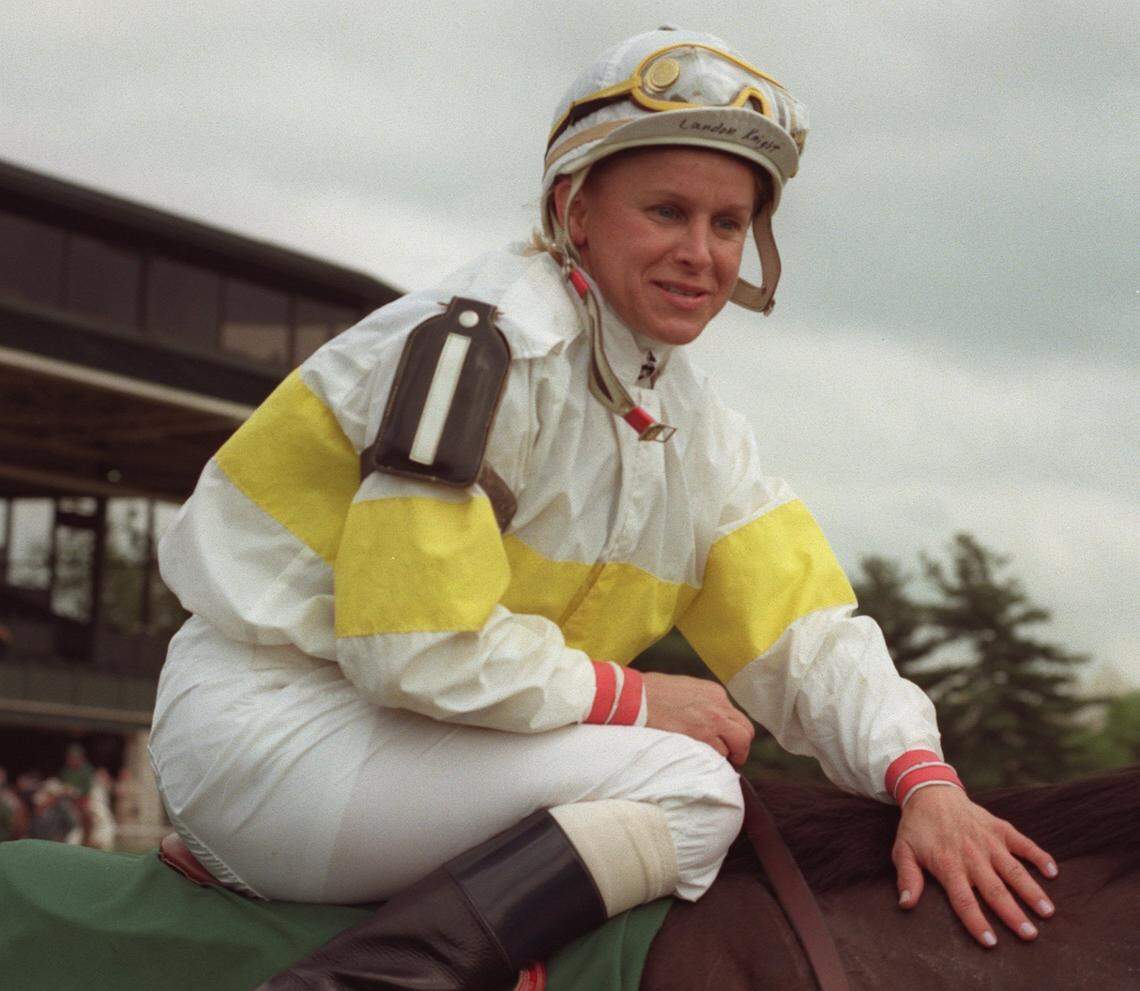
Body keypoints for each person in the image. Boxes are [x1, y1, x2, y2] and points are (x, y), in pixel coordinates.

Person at [148, 27, 1059, 990]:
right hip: (277, 729)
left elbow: (808, 636)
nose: (701, 254)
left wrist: (923, 780)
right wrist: (640, 697)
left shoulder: (693, 426)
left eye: (728, 223)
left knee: (690, 774)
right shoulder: (478, 346)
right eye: (666, 211)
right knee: (696, 791)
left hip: (418, 740)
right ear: (573, 210)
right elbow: (409, 645)